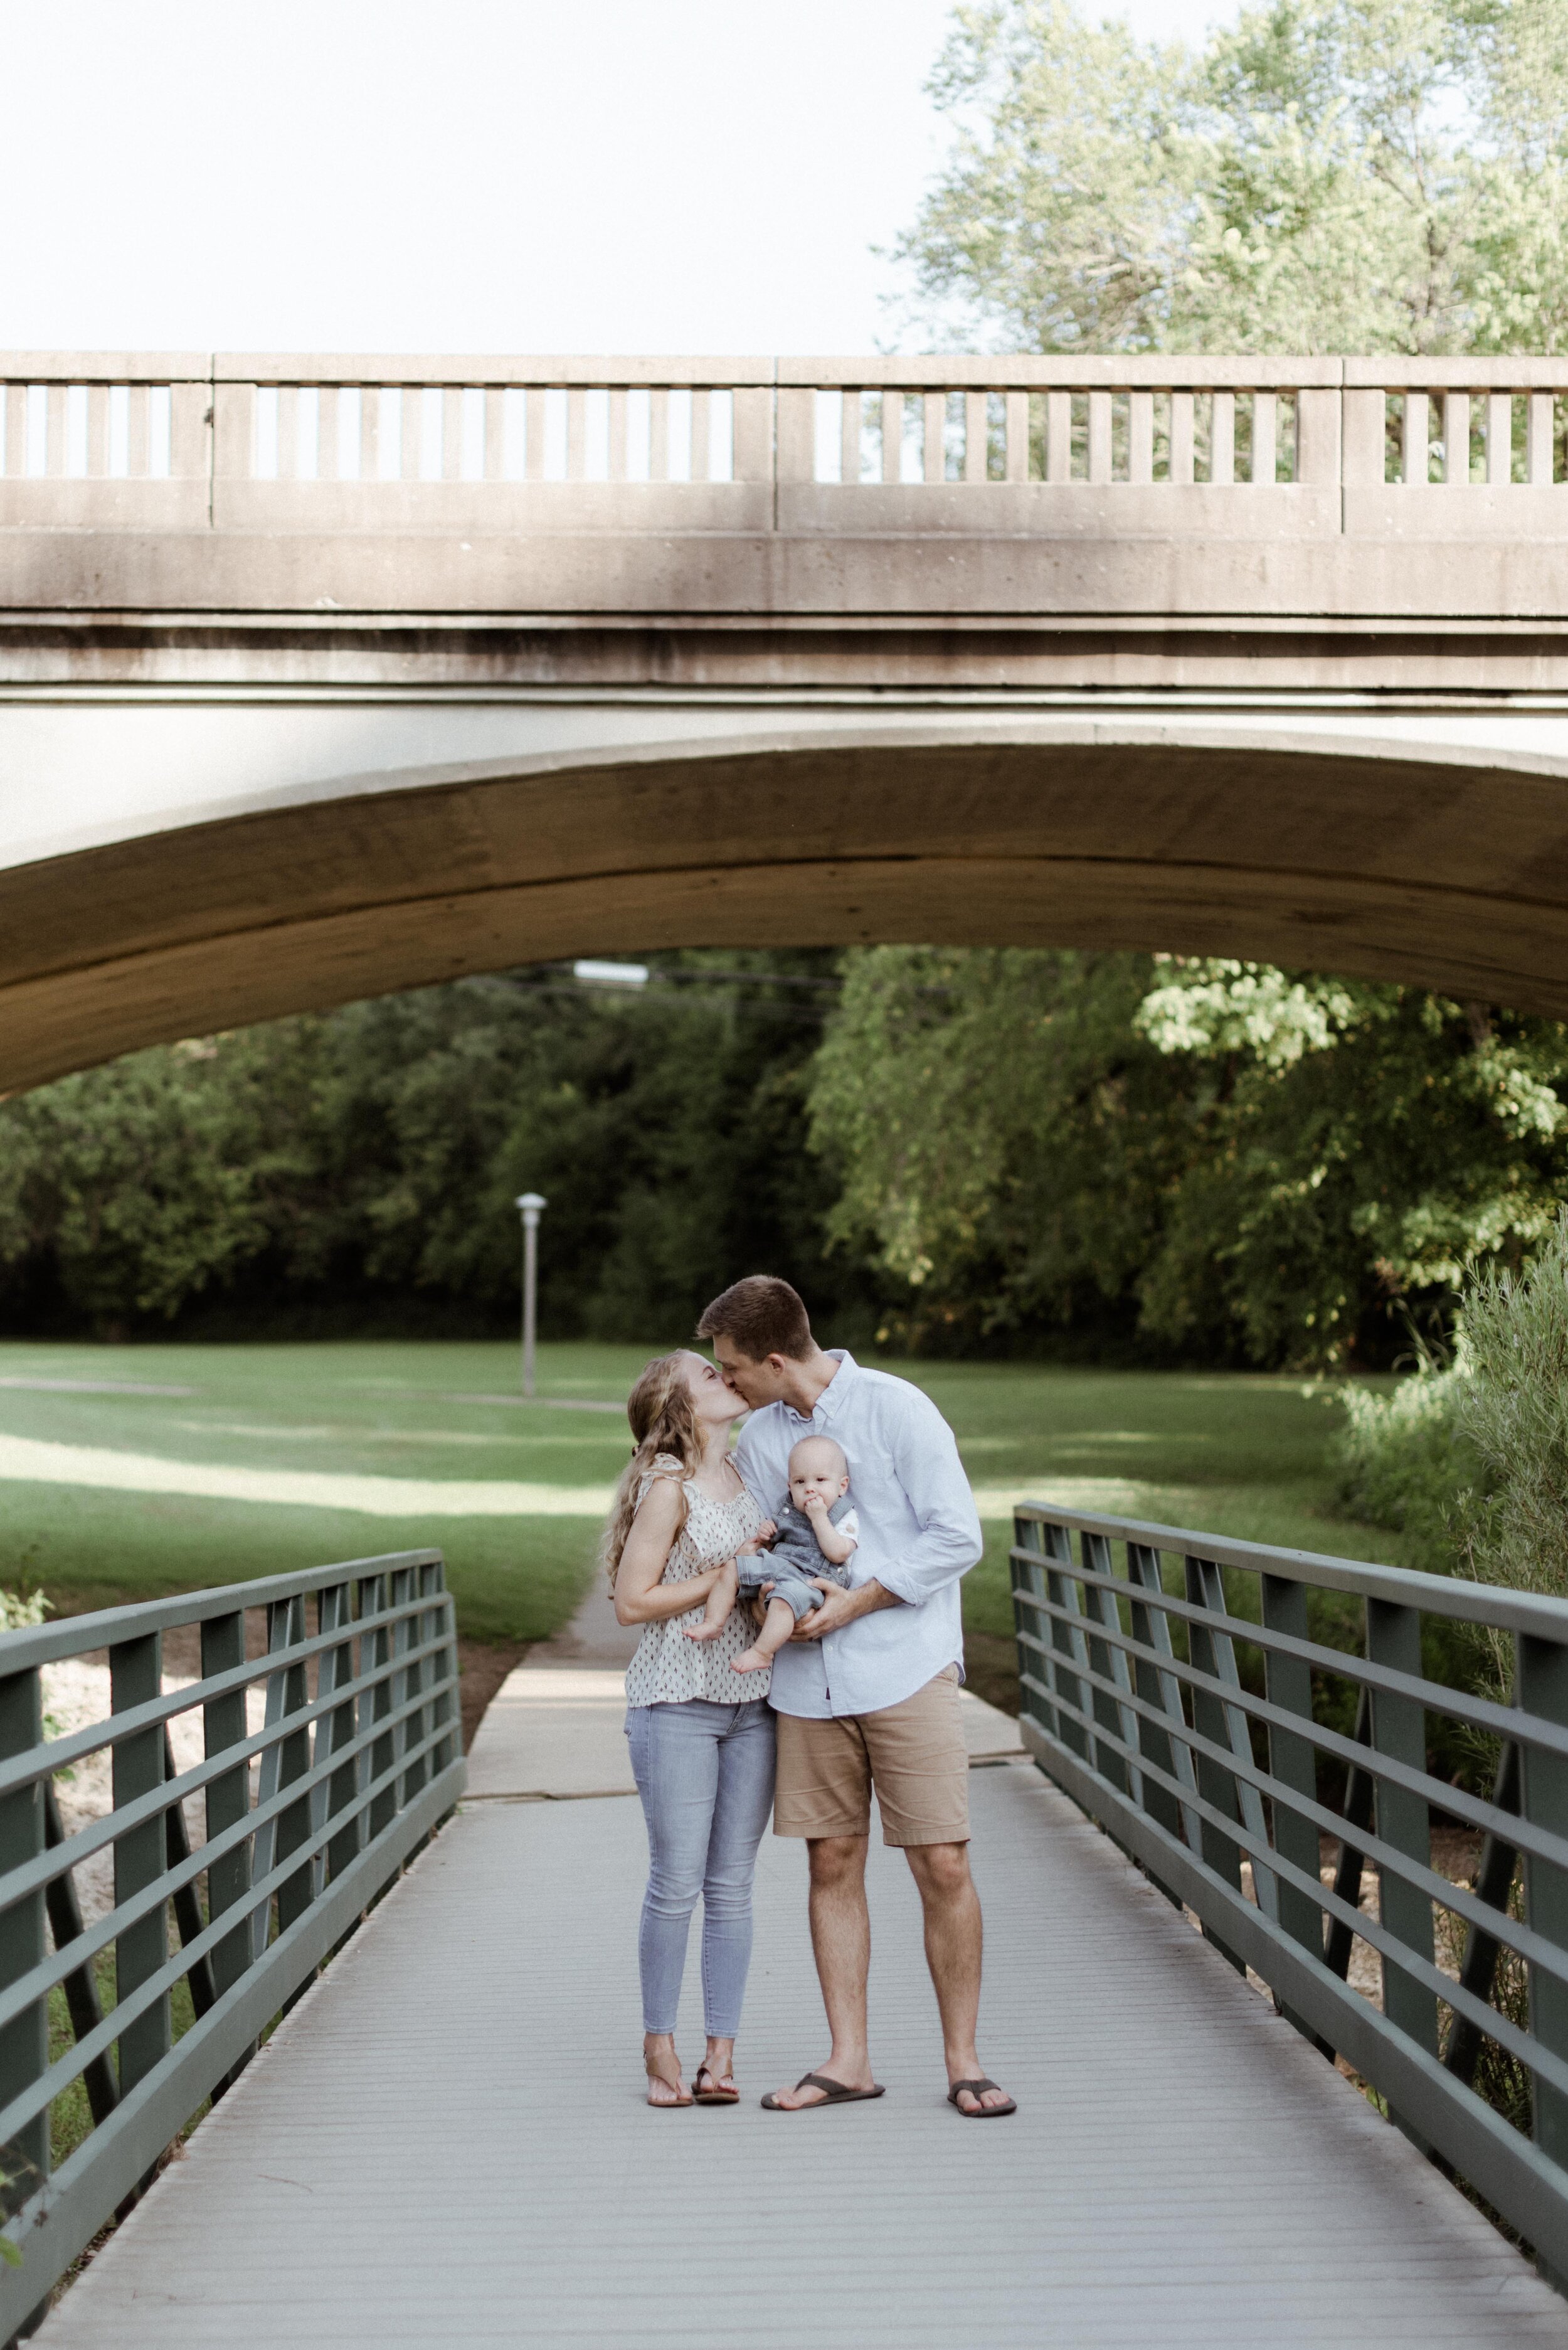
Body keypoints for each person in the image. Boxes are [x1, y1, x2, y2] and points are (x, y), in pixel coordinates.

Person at [695, 1275, 1017, 2120]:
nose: (724, 1382)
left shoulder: (898, 1408)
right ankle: (849, 2059)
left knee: (941, 1860)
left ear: (773, 1359)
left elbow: (959, 1536)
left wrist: (860, 1598)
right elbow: (765, 1542)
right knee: (830, 1859)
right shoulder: (760, 1437)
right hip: (807, 1681)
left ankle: (965, 2060)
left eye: (731, 1369)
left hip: (905, 1665)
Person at [603, 1349, 776, 2108]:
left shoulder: (747, 1473)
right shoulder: (667, 1490)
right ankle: (659, 2045)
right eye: (707, 1373)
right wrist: (726, 1574)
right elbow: (631, 1600)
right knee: (676, 1883)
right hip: (675, 1701)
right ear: (677, 1402)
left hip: (754, 1700)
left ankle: (720, 2054)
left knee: (732, 1885)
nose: (725, 1376)